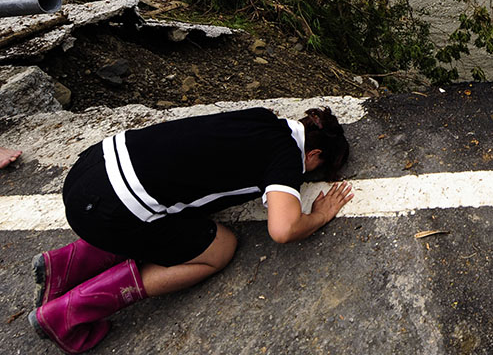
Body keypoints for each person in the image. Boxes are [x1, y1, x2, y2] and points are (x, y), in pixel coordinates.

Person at [29, 105, 352, 354]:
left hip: (92, 167)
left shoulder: (261, 118)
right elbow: (284, 230)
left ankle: (63, 266)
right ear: (314, 154)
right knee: (220, 248)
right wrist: (319, 216)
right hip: (106, 211)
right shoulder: (285, 157)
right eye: (315, 168)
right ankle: (66, 314)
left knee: (162, 210)